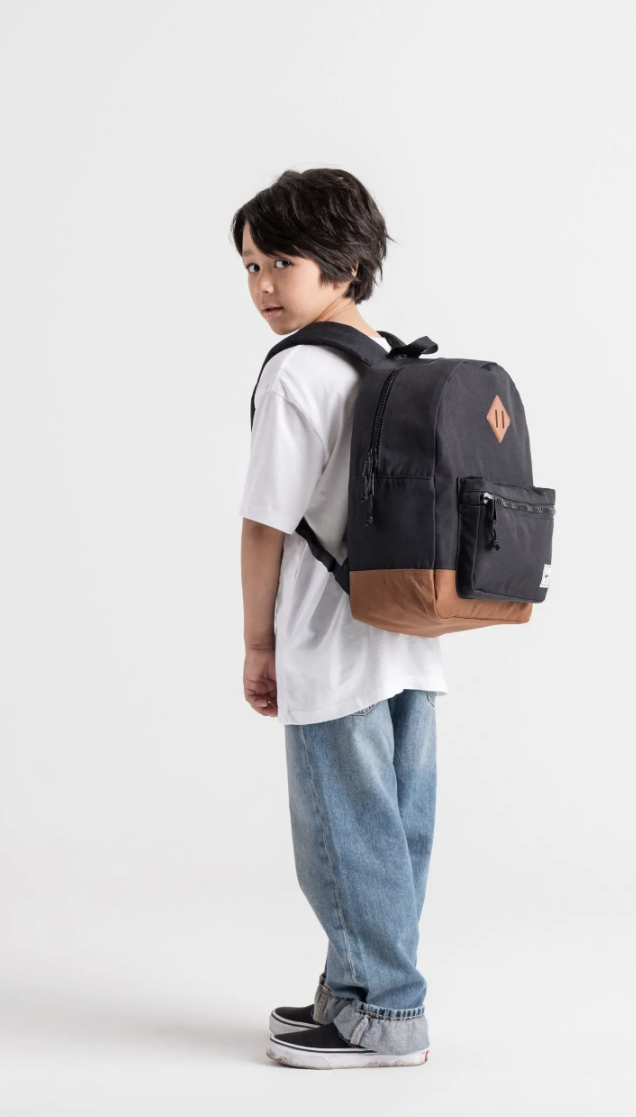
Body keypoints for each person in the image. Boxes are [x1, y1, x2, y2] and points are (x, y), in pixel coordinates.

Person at [234, 168, 448, 1070]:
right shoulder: (397, 361)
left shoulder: (297, 376)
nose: (264, 286)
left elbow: (263, 525)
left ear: (346, 264)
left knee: (336, 833)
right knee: (392, 832)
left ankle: (389, 1013)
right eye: (249, 266)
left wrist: (257, 640)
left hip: (330, 639)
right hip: (412, 634)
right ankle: (351, 992)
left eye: (283, 260)